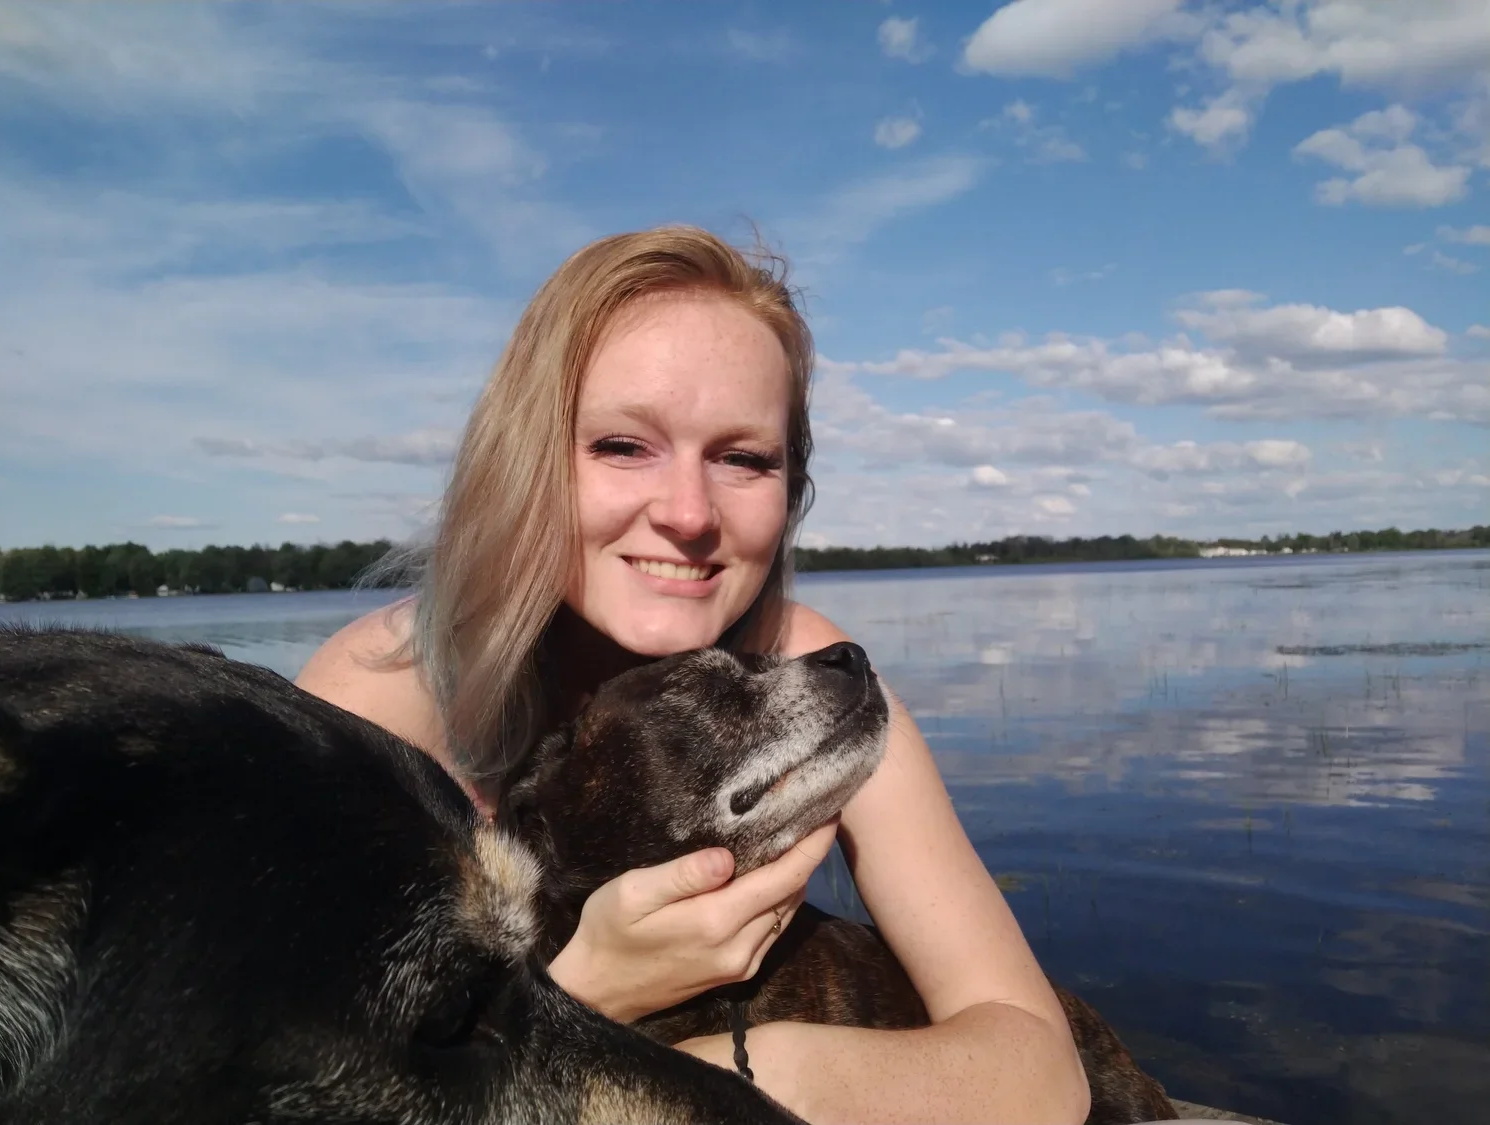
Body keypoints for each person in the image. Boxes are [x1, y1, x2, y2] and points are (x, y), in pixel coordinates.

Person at [296, 226, 1090, 1125]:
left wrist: (727, 1075)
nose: (687, 513)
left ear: (791, 490)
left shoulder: (813, 676)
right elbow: (287, 1077)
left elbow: (1040, 1072)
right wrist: (590, 994)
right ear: (522, 461)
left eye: (743, 458)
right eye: (622, 445)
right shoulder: (381, 700)